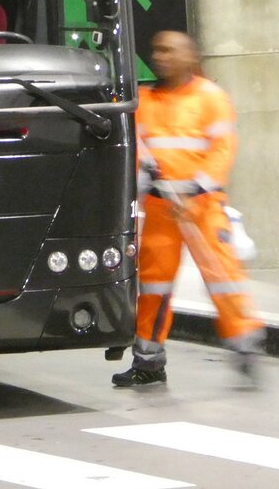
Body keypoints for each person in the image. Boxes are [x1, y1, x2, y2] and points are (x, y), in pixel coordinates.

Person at [112, 30, 264, 389]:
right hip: (161, 209)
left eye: (169, 50)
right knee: (153, 288)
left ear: (189, 56)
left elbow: (222, 149)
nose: (159, 56)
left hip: (202, 206)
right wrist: (144, 176)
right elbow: (138, 151)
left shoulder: (211, 98)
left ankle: (245, 345)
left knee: (224, 280)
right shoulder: (145, 100)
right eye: (156, 50)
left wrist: (198, 185)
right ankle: (148, 362)